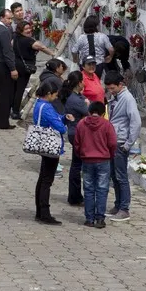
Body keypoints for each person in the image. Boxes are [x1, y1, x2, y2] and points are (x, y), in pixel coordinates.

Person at [74, 100, 117, 228]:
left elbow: (77, 143)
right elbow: (113, 143)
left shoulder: (81, 124)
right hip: (103, 160)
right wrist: (110, 154)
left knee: (88, 189)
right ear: (103, 113)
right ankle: (100, 218)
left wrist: (81, 153)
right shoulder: (107, 125)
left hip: (87, 160)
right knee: (102, 189)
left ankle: (89, 218)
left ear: (89, 111)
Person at [106, 70, 141, 221]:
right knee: (114, 176)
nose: (111, 91)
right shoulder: (116, 97)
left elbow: (136, 122)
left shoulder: (127, 99)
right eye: (109, 88)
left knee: (121, 176)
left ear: (121, 85)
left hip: (121, 143)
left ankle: (124, 208)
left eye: (113, 88)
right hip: (113, 141)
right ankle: (118, 204)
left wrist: (128, 144)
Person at [33, 84, 70, 225]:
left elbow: (56, 118)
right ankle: (45, 213)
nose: (55, 98)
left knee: (42, 178)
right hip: (51, 147)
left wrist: (64, 117)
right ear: (48, 93)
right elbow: (59, 127)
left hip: (43, 145)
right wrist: (64, 124)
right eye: (54, 95)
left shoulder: (39, 104)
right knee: (47, 180)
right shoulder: (47, 107)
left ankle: (39, 211)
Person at [13, 19, 55, 121]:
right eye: (26, 29)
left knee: (15, 89)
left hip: (16, 65)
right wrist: (52, 53)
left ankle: (13, 109)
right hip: (24, 68)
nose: (29, 30)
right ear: (21, 30)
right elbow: (40, 46)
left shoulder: (16, 38)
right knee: (20, 90)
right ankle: (15, 112)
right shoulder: (28, 40)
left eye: (29, 28)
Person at [58, 70, 88, 207]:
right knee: (77, 166)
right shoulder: (75, 100)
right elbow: (90, 111)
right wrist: (87, 103)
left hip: (74, 132)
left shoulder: (75, 96)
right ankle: (75, 196)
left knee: (77, 164)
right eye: (83, 81)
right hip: (77, 133)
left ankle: (75, 195)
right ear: (79, 83)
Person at [0, 9, 18, 129]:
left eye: (11, 19)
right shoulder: (3, 32)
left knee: (0, 94)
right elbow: (7, 52)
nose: (10, 21)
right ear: (1, 18)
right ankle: (3, 122)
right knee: (5, 95)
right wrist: (13, 68)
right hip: (3, 66)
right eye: (8, 18)